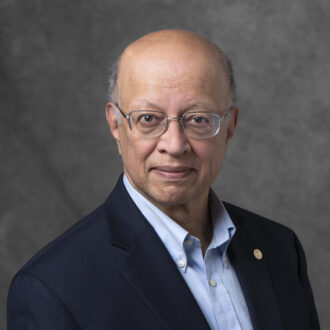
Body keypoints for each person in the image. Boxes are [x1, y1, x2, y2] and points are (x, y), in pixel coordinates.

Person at [7, 30, 320, 330]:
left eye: (198, 119)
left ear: (229, 126)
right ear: (116, 126)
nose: (174, 144)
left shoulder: (280, 248)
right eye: (148, 119)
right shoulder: (52, 287)